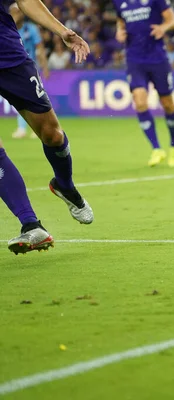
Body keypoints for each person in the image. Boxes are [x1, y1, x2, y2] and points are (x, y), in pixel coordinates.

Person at [0, 0, 94, 254]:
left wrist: (62, 31)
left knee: (52, 135)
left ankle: (64, 184)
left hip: (8, 58)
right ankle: (31, 224)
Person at [114, 0, 174, 167]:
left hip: (157, 58)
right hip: (134, 60)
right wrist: (120, 31)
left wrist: (163, 28)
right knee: (140, 101)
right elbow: (121, 20)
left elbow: (173, 20)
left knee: (167, 104)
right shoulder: (119, 2)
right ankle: (156, 149)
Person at [10, 3, 49, 139]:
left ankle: (37, 128)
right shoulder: (7, 30)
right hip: (12, 69)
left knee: (35, 100)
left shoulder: (31, 29)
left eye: (19, 12)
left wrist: (45, 67)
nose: (17, 14)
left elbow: (40, 48)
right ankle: (23, 128)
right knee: (21, 100)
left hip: (31, 69)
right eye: (15, 12)